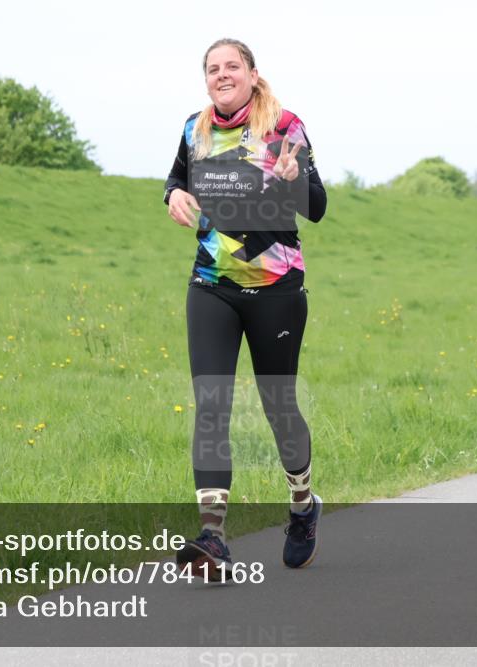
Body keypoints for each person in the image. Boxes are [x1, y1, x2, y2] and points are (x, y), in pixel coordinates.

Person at [163, 38, 327, 576]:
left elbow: (317, 207)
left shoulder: (285, 126)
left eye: (232, 66)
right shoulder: (195, 128)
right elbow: (177, 179)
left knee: (280, 411)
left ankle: (303, 506)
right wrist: (174, 197)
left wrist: (293, 177)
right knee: (211, 407)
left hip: (276, 289)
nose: (222, 74)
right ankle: (212, 537)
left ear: (253, 75)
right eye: (213, 69)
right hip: (211, 286)